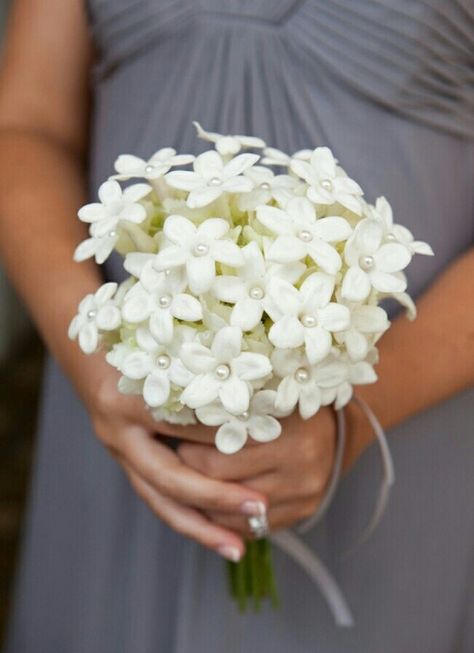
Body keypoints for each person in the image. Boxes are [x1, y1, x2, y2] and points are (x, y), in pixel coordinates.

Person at [0, 1, 473, 651]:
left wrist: (356, 414)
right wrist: (98, 359)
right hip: (123, 412)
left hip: (405, 419)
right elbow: (26, 122)